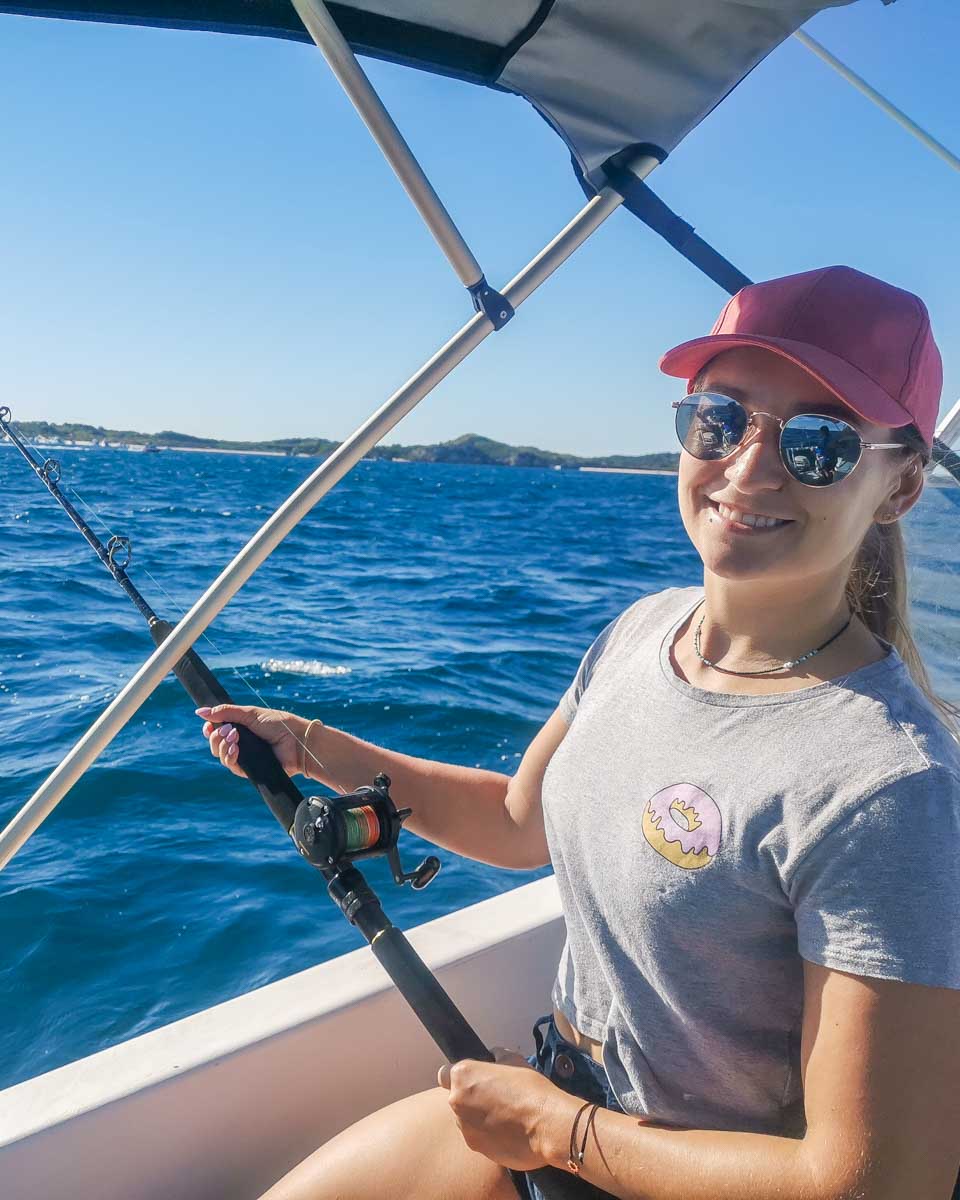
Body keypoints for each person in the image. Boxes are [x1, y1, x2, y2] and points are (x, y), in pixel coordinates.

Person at [198, 265, 960, 1200]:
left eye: (819, 443)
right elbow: (521, 824)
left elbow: (878, 1184)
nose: (749, 466)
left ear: (902, 486)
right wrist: (313, 745)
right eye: (721, 418)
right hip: (555, 1111)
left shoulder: (888, 785)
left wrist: (562, 1133)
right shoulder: (644, 632)